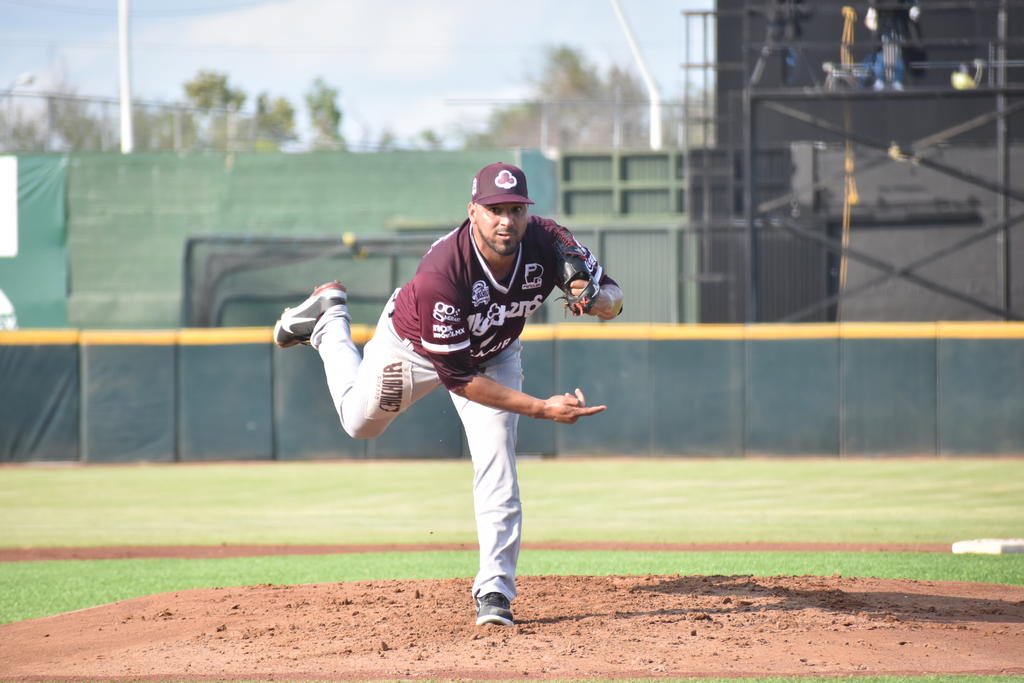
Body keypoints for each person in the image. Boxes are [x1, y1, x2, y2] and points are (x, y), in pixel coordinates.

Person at [273, 162, 624, 627]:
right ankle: (328, 321)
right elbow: (460, 379)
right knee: (359, 423)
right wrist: (541, 408)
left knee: (498, 459)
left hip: (495, 349)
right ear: (472, 211)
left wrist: (597, 298)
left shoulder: (548, 239)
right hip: (415, 348)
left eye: (515, 209)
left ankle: (495, 589)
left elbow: (614, 297)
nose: (506, 220)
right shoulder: (443, 272)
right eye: (494, 209)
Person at [864, 0, 922, 90]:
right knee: (881, 56)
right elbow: (872, 14)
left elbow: (912, 12)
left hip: (898, 29)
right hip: (884, 30)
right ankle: (881, 80)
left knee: (898, 56)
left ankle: (896, 80)